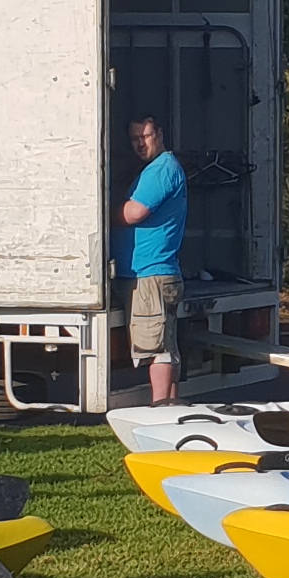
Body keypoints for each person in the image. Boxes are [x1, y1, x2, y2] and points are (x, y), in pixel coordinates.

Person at [116, 115, 188, 404]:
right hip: (151, 273)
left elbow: (134, 212)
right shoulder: (153, 169)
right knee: (166, 344)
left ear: (158, 133)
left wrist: (98, 214)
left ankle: (159, 408)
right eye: (134, 138)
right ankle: (169, 407)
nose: (139, 144)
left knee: (157, 348)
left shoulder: (161, 169)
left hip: (151, 273)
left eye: (144, 136)